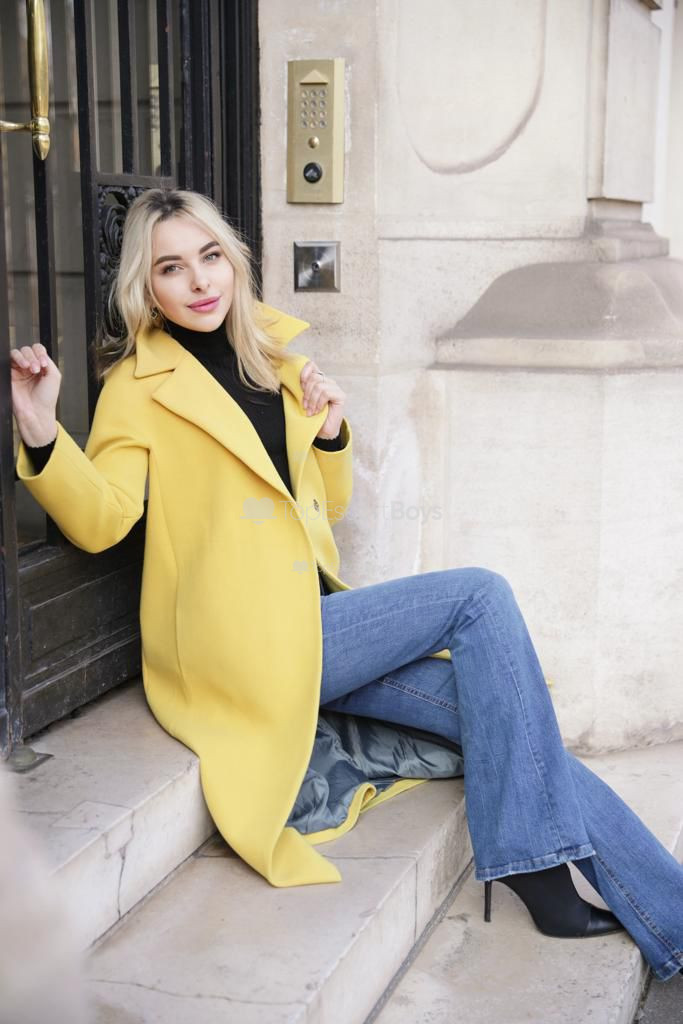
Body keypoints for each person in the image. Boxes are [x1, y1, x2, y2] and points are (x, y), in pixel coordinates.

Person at [10, 188, 682, 983]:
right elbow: (104, 521)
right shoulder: (139, 386)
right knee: (479, 596)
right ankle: (541, 870)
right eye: (171, 268)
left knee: (509, 720)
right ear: (146, 289)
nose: (198, 280)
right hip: (243, 644)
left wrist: (328, 434)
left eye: (210, 256)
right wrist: (42, 430)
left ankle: (648, 916)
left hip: (311, 623)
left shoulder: (273, 361)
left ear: (234, 262)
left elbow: (322, 510)